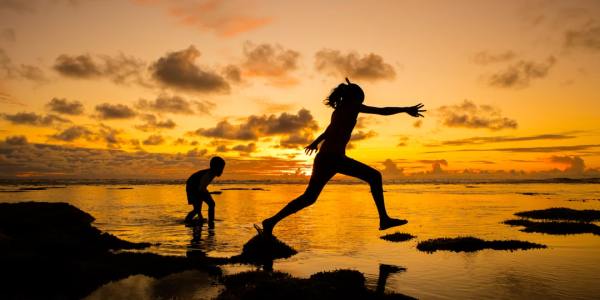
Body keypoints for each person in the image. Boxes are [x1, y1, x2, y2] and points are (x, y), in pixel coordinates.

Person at [259, 78, 425, 236]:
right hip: (334, 159)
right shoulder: (351, 107)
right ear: (354, 98)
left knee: (309, 198)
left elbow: (329, 130)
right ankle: (384, 219)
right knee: (375, 176)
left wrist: (315, 142)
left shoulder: (340, 110)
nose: (361, 103)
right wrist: (405, 109)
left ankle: (271, 222)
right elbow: (381, 111)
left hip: (326, 158)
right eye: (361, 99)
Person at [185, 156, 225, 228]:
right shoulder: (208, 174)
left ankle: (209, 220)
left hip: (198, 187)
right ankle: (188, 221)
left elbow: (202, 189)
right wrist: (213, 193)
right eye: (221, 168)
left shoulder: (212, 173)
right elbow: (201, 189)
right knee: (199, 209)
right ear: (215, 167)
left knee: (207, 205)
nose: (222, 171)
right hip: (192, 187)